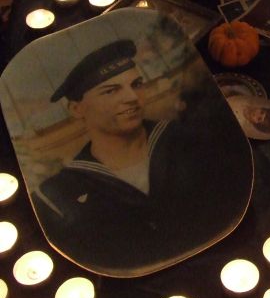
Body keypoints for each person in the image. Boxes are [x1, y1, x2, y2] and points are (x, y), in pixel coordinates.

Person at [32, 40, 253, 276]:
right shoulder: (62, 190)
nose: (132, 97)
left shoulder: (188, 139)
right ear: (76, 109)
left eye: (136, 84)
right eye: (111, 90)